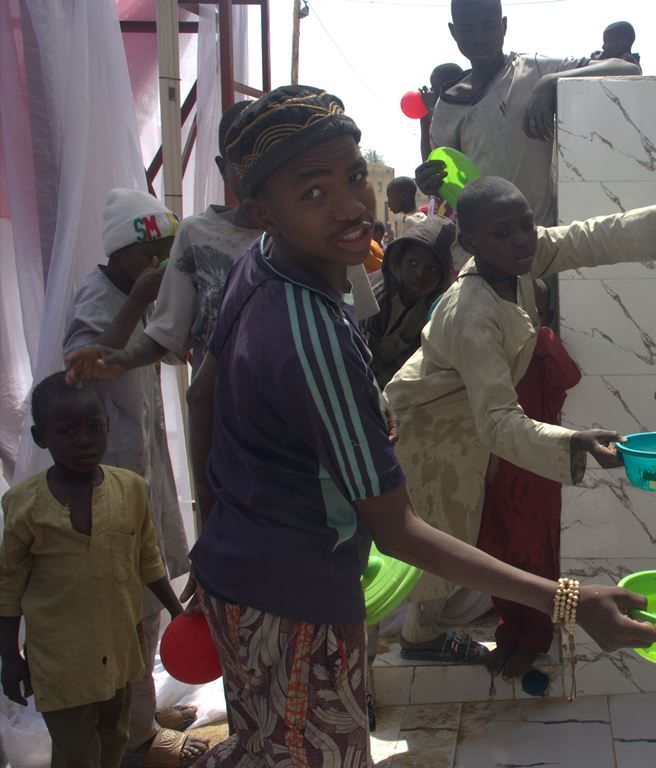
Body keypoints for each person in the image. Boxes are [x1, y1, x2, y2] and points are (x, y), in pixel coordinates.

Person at [182, 85, 655, 766]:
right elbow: (397, 530)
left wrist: (210, 533)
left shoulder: (260, 267)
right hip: (295, 603)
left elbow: (204, 397)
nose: (350, 205)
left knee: (262, 746)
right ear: (263, 210)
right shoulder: (312, 334)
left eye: (352, 177)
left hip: (239, 568)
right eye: (312, 192)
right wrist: (572, 602)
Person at [386, 142, 656, 662]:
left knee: (449, 525)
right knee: (436, 528)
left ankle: (420, 633)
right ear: (468, 242)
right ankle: (407, 640)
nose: (521, 241)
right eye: (503, 232)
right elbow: (496, 422)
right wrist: (573, 441)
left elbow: (585, 238)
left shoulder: (514, 259)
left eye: (526, 225)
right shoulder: (472, 311)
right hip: (425, 426)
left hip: (458, 414)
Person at [63, 101, 379, 387]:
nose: (254, 171)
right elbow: (168, 332)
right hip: (229, 419)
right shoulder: (196, 237)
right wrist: (128, 357)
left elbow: (355, 328)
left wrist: (371, 392)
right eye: (241, 161)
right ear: (223, 167)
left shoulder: (328, 234)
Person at [60, 189, 206, 766]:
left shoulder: (140, 290)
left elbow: (166, 351)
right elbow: (80, 367)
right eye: (150, 255)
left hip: (142, 467)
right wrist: (138, 303)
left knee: (146, 596)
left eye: (167, 254)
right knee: (129, 607)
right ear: (123, 255)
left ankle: (140, 713)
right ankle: (139, 739)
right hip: (109, 474)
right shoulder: (100, 298)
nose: (159, 265)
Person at [0, 374, 185, 768]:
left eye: (94, 427)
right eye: (67, 431)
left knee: (113, 742)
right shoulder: (24, 505)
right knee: (78, 755)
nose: (84, 439)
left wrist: (177, 612)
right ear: (40, 436)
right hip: (59, 662)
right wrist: (10, 657)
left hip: (118, 651)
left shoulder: (130, 489)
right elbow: (8, 586)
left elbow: (148, 559)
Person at [416, 0, 640, 227]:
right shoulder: (448, 106)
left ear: (504, 27)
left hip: (540, 242)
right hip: (485, 251)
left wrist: (551, 82)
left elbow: (627, 70)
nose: (479, 38)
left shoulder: (534, 70)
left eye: (489, 26)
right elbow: (452, 187)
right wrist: (431, 183)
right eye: (467, 29)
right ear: (453, 32)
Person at [477, 279, 581, 679]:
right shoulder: (485, 341)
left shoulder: (540, 343)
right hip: (494, 465)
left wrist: (538, 337)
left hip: (536, 469)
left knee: (536, 554)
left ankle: (535, 637)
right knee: (497, 549)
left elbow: (569, 377)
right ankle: (509, 634)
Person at [362, 215, 456, 388]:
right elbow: (363, 359)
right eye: (412, 263)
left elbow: (411, 358)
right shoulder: (377, 297)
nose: (420, 274)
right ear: (400, 260)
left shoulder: (431, 307)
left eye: (432, 269)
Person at [420, 63, 466, 162]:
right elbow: (428, 162)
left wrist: (433, 109)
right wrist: (424, 119)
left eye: (435, 90)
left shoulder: (466, 113)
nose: (431, 93)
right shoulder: (436, 116)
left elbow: (445, 155)